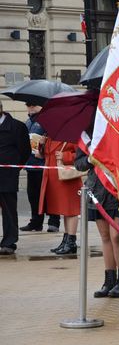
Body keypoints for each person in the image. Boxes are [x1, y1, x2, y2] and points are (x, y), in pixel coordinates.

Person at [74, 119, 119, 297]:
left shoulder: (115, 128)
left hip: (114, 188)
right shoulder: (86, 136)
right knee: (105, 236)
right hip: (96, 189)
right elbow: (78, 164)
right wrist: (90, 158)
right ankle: (109, 280)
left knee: (117, 236)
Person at [19, 103, 60, 233]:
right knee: (33, 196)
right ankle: (36, 222)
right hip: (30, 164)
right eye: (28, 105)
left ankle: (54, 221)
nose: (30, 107)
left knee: (50, 195)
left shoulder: (47, 120)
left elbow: (54, 140)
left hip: (44, 165)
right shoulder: (27, 122)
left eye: (33, 105)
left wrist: (43, 150)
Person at [40, 134, 82, 255]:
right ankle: (66, 240)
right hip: (55, 178)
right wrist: (42, 145)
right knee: (65, 211)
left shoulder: (72, 135)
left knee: (71, 211)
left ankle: (71, 242)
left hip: (68, 179)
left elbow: (83, 155)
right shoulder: (49, 136)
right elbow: (45, 155)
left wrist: (66, 156)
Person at [0, 100, 30, 255]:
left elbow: (25, 151)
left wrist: (15, 168)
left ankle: (9, 242)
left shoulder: (17, 127)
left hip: (7, 176)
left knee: (9, 210)